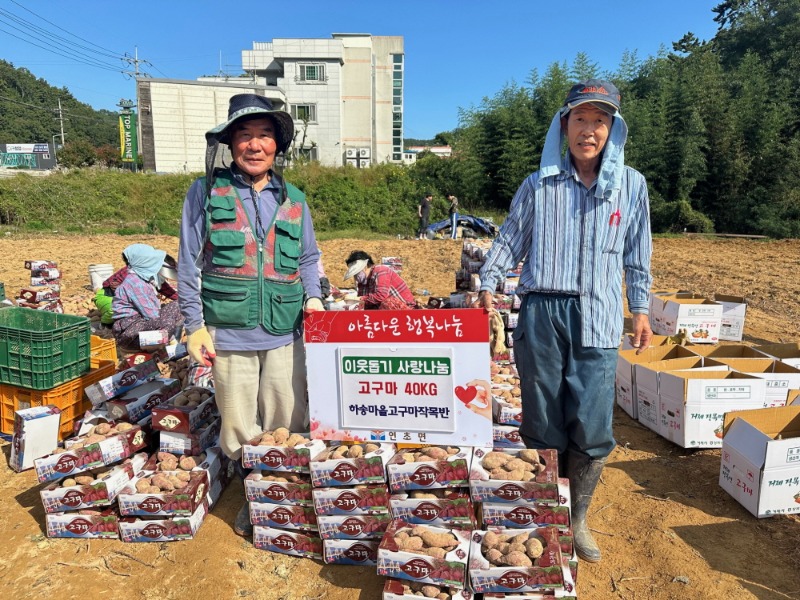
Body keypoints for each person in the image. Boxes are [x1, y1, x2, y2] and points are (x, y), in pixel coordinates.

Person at [476, 79, 653, 563]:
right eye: (580, 119)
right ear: (564, 125)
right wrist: (488, 282)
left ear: (613, 130)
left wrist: (640, 308)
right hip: (541, 312)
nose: (589, 130)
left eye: (600, 121)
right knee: (541, 416)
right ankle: (547, 509)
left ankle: (577, 517)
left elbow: (638, 254)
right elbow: (511, 238)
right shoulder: (539, 184)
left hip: (598, 312)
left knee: (593, 422)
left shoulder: (631, 186)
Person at [177, 93, 324, 536]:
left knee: (287, 422)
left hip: (285, 332)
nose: (255, 145)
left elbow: (309, 258)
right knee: (239, 428)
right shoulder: (205, 193)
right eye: (245, 135)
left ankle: (283, 493)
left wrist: (314, 298)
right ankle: (252, 497)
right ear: (231, 142)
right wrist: (193, 325)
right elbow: (188, 263)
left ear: (278, 145)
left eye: (264, 135)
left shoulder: (294, 198)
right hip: (230, 332)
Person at [109, 244, 183, 350]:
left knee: (179, 306)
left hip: (137, 326)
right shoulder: (136, 283)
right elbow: (152, 315)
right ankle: (162, 347)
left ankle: (163, 343)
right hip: (130, 334)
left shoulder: (142, 279)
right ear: (145, 263)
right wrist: (171, 338)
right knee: (167, 321)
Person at [343, 250, 416, 310]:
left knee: (388, 302)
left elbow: (380, 296)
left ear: (365, 266)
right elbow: (364, 303)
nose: (356, 277)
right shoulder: (362, 283)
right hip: (383, 310)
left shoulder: (381, 271)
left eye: (357, 273)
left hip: (406, 309)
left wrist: (357, 298)